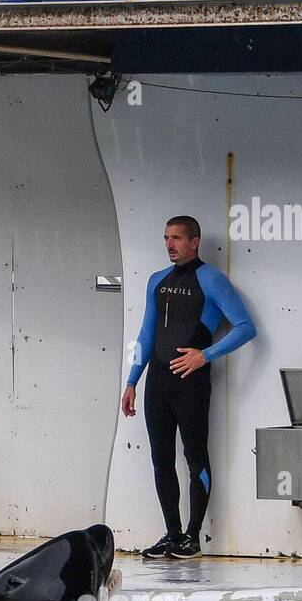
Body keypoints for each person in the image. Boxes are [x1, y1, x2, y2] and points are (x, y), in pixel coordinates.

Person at [121, 216, 257, 560]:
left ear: (194, 241)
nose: (170, 244)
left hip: (190, 382)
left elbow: (245, 327)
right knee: (161, 459)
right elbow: (145, 334)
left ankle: (193, 536)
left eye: (177, 238)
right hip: (158, 382)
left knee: (195, 457)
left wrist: (206, 356)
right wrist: (132, 380)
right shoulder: (157, 281)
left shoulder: (210, 279)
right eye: (167, 237)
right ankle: (171, 533)